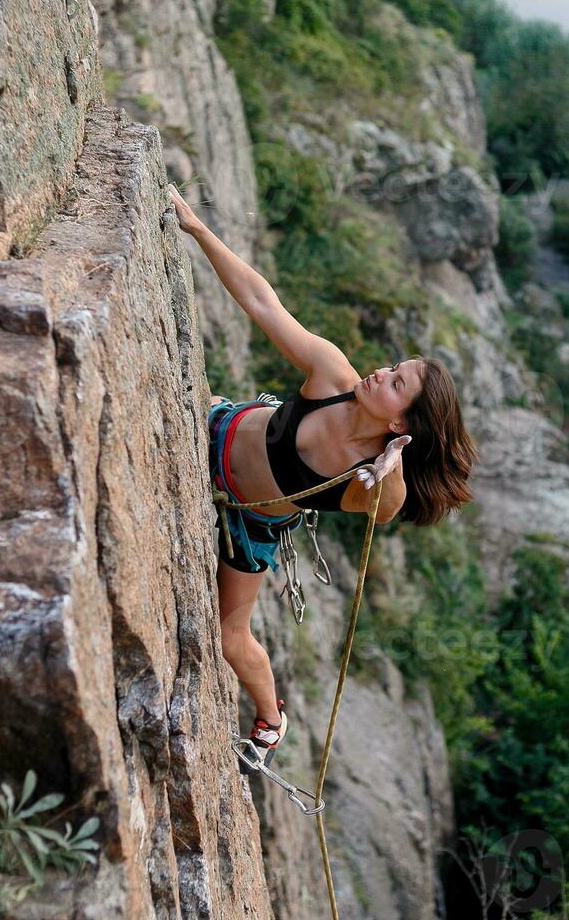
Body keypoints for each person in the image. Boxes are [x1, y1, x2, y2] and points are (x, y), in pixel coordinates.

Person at [169, 184, 478, 767]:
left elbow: (387, 508)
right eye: (394, 367)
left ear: (403, 423)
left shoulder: (377, 478)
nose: (380, 372)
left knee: (231, 636)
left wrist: (390, 464)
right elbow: (264, 304)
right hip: (217, 432)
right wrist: (199, 230)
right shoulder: (335, 375)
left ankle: (270, 720)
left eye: (395, 382)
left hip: (249, 521)